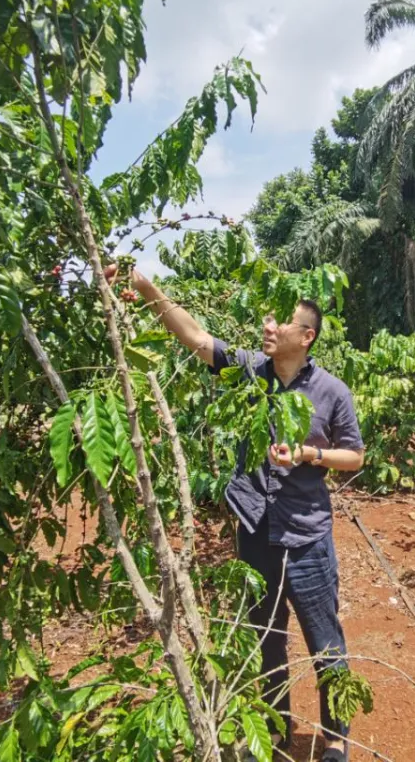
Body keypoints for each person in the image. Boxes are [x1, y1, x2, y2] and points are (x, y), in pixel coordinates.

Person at [116, 267, 365, 762]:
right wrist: (147, 289)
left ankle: (336, 736)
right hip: (255, 529)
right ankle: (274, 731)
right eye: (267, 320)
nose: (268, 327)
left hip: (307, 535)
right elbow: (195, 337)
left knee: (324, 638)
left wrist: (309, 456)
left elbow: (354, 456)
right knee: (265, 637)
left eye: (282, 322)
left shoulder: (332, 392)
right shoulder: (251, 369)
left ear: (307, 336)